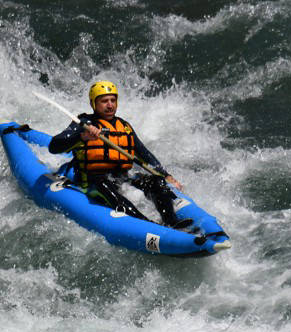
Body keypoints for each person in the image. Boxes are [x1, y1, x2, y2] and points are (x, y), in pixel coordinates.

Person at [48, 81, 192, 228]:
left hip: (121, 178)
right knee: (107, 189)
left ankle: (171, 221)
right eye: (104, 101)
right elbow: (54, 146)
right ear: (93, 103)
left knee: (157, 182)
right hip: (93, 181)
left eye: (113, 100)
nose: (110, 105)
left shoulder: (124, 126)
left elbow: (143, 152)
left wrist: (165, 175)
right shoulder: (84, 123)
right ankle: (147, 225)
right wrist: (83, 137)